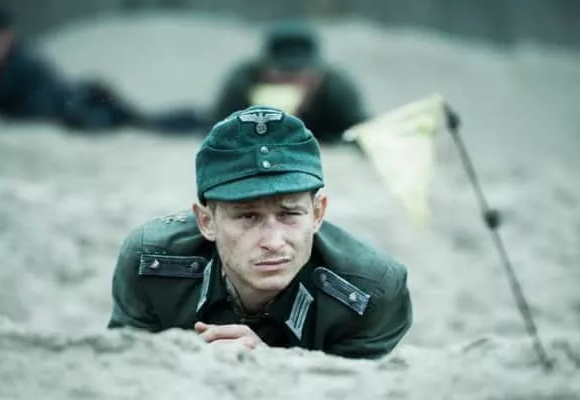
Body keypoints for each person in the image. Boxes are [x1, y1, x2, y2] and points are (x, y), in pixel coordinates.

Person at [108, 105, 412, 359]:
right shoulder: (151, 263)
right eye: (247, 216)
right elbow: (123, 372)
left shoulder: (370, 291)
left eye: (289, 214)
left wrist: (269, 364)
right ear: (206, 222)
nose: (273, 242)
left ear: (318, 213)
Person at [0, 4, 202, 133]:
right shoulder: (4, 69)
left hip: (89, 109)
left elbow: (40, 117)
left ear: (6, 38)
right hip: (85, 107)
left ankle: (200, 120)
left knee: (148, 127)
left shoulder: (25, 69)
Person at [210, 21, 368, 143]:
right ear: (262, 74)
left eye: (299, 76)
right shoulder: (243, 85)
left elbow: (363, 134)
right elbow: (215, 130)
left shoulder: (335, 91)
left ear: (318, 77)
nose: (291, 84)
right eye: (281, 76)